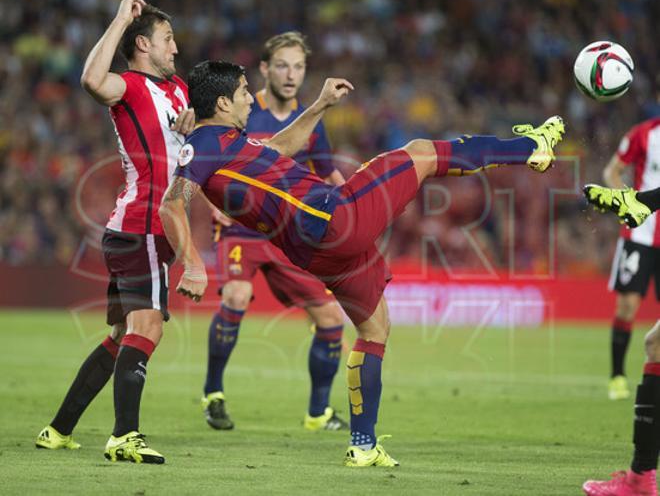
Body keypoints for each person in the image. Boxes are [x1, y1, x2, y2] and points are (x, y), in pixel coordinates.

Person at [159, 60, 565, 467]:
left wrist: (318, 105)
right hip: (333, 218)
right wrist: (192, 263)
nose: (252, 98)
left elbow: (281, 147)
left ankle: (363, 445)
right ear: (225, 101)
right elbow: (172, 203)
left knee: (374, 329)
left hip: (317, 251)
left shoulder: (233, 145)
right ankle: (531, 148)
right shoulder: (206, 144)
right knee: (421, 153)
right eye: (246, 91)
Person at [35, 0, 194, 464]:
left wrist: (195, 126)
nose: (176, 48)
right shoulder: (127, 85)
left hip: (152, 227)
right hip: (141, 223)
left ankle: (58, 430)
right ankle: (125, 436)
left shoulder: (181, 89)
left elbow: (199, 143)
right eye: (168, 39)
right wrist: (121, 18)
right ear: (143, 44)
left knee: (122, 333)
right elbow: (89, 80)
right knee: (147, 327)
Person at [201, 32, 348, 432]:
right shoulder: (242, 110)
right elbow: (206, 162)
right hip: (242, 232)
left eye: (298, 66)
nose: (291, 74)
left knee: (331, 318)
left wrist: (354, 203)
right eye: (282, 65)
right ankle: (213, 393)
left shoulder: (310, 121)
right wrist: (217, 205)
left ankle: (318, 413)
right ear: (264, 69)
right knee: (236, 295)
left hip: (288, 237)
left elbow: (328, 171)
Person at [591, 117, 660, 401]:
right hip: (640, 235)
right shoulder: (644, 134)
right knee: (627, 306)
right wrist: (626, 200)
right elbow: (612, 172)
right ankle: (617, 376)